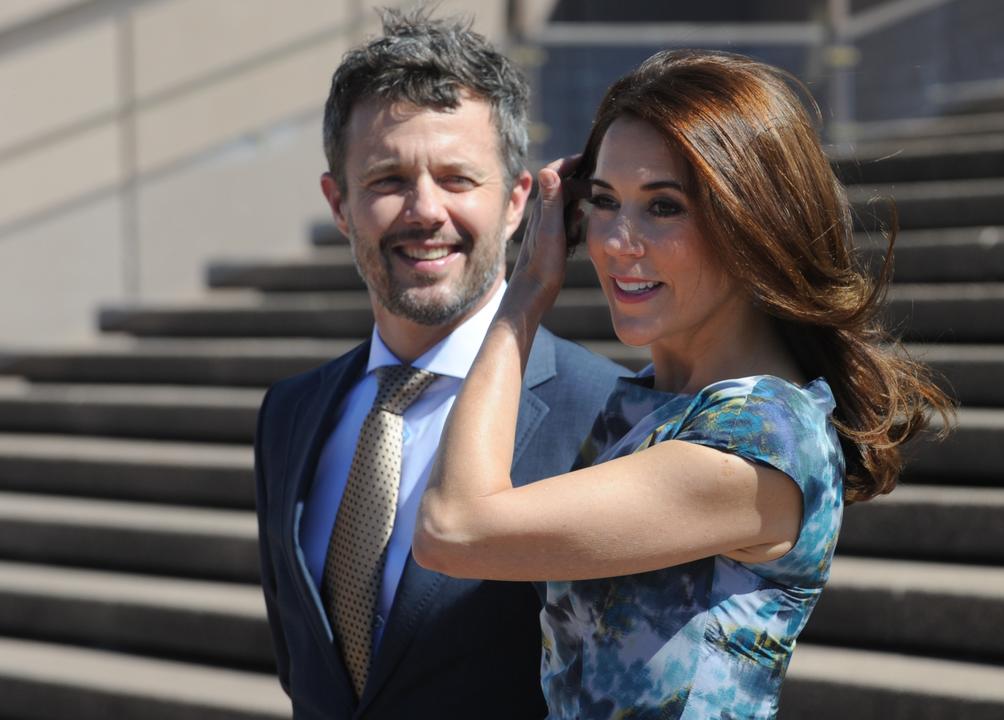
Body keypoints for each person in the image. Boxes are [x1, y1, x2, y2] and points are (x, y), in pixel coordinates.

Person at [413, 49, 954, 718]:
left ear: (753, 221)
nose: (615, 241)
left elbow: (452, 528)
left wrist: (524, 296)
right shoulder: (642, 402)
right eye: (603, 201)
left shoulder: (760, 439)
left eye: (663, 207)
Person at [253, 10, 624, 719]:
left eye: (457, 178)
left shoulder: (609, 415)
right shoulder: (289, 414)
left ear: (517, 201)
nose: (425, 211)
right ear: (339, 204)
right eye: (388, 179)